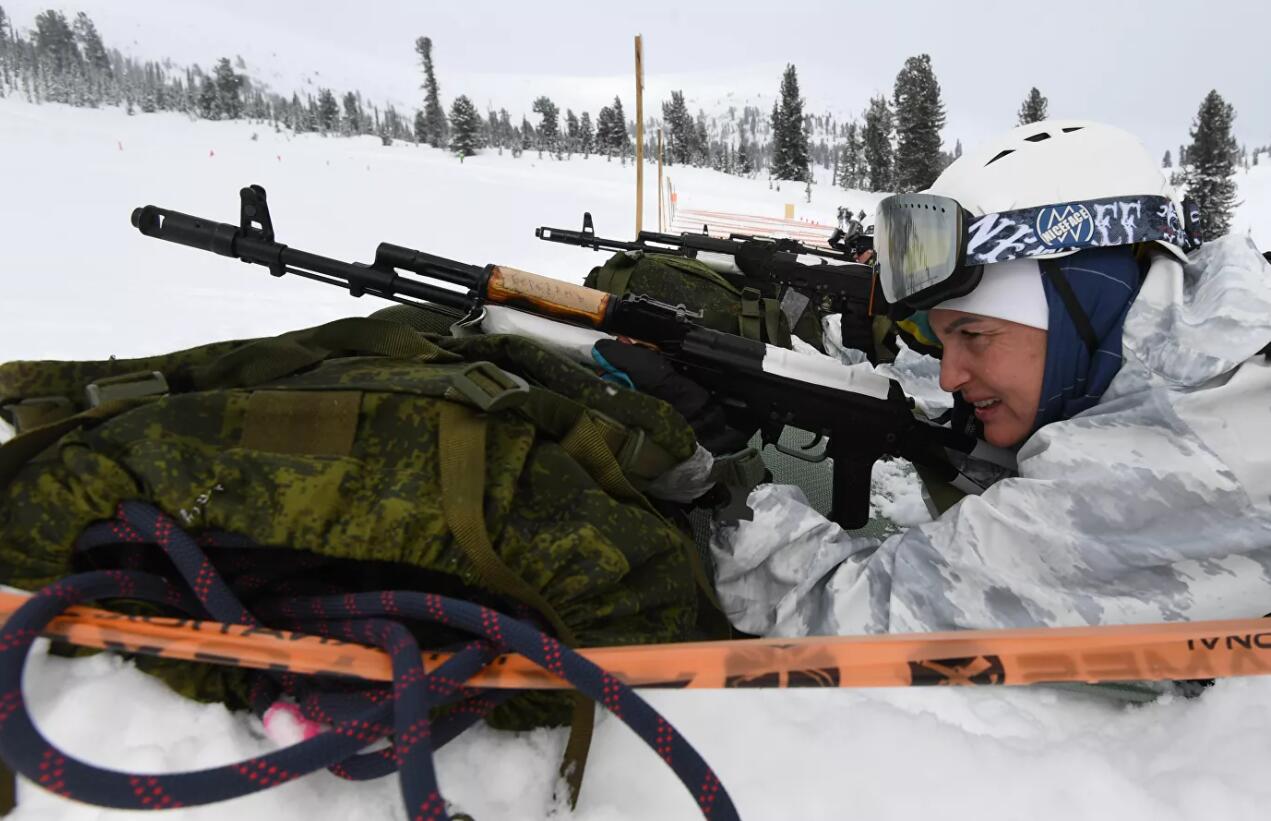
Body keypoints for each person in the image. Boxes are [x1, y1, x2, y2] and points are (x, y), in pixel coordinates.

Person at [605, 120, 1271, 636]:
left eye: (974, 336)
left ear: (1084, 306)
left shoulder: (1160, 454)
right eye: (941, 333)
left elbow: (851, 617)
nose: (950, 374)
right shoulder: (1210, 334)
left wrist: (721, 480)